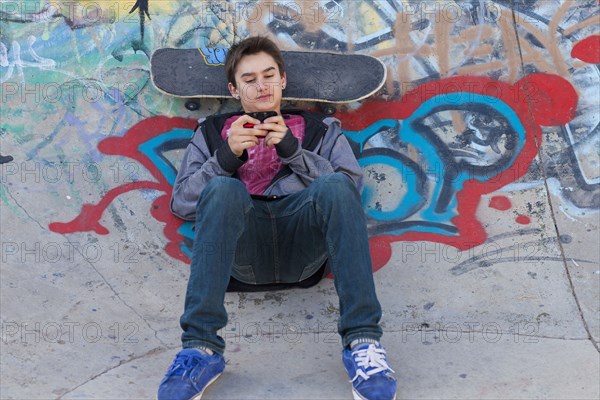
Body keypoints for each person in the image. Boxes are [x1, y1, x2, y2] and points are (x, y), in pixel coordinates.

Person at [157, 36, 396, 400]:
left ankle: (362, 343)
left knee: (334, 183)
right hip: (243, 255)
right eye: (249, 79)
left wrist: (292, 150)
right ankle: (200, 350)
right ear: (233, 89)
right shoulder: (210, 132)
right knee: (222, 190)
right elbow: (183, 204)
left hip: (304, 250)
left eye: (269, 75)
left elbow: (348, 190)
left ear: (283, 80)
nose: (261, 85)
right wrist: (225, 157)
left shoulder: (320, 130)